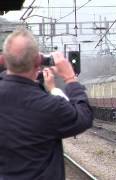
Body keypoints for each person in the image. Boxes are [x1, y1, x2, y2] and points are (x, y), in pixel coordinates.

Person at [0, 27, 93, 180]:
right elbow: (83, 116)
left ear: (5, 61)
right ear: (38, 61)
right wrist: (70, 78)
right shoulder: (50, 106)